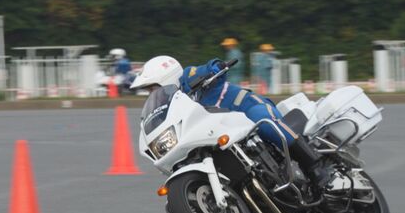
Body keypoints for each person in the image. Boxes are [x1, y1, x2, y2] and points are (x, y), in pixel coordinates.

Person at [131, 55, 330, 188]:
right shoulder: (173, 104)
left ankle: (315, 166)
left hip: (245, 107)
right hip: (225, 128)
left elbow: (207, 67)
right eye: (149, 91)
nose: (151, 93)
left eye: (153, 88)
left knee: (263, 122)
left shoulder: (189, 77)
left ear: (166, 78)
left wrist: (215, 67)